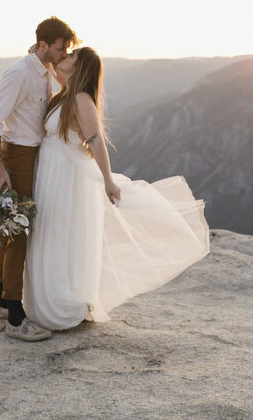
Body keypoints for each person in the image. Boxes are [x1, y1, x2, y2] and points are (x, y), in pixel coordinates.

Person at [24, 47, 210, 331]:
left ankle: (61, 302)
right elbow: (54, 70)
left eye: (71, 55)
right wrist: (37, 56)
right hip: (51, 171)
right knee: (46, 231)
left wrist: (108, 180)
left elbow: (96, 140)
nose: (65, 56)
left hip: (65, 176)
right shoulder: (66, 92)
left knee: (57, 232)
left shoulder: (81, 99)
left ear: (81, 66)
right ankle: (46, 298)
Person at [0, 16, 78, 342]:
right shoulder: (19, 73)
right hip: (17, 156)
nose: (63, 53)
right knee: (19, 232)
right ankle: (14, 317)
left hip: (31, 156)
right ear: (42, 45)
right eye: (59, 48)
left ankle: (0, 300)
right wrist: (0, 169)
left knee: (11, 228)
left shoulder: (41, 69)